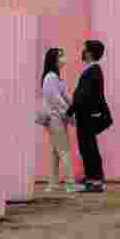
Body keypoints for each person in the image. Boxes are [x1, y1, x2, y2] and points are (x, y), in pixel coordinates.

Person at [66, 40, 107, 193]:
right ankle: (93, 177)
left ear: (89, 53)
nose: (82, 51)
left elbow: (82, 96)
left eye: (85, 49)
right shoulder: (93, 70)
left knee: (88, 147)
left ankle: (95, 180)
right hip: (87, 115)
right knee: (89, 146)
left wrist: (69, 112)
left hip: (86, 116)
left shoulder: (92, 71)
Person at [40, 48, 81, 192]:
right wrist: (70, 113)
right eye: (60, 56)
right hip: (54, 118)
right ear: (54, 59)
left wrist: (74, 108)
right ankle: (70, 183)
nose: (63, 59)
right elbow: (56, 100)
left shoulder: (57, 78)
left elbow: (66, 96)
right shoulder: (50, 77)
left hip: (58, 118)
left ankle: (53, 183)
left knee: (56, 152)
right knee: (64, 150)